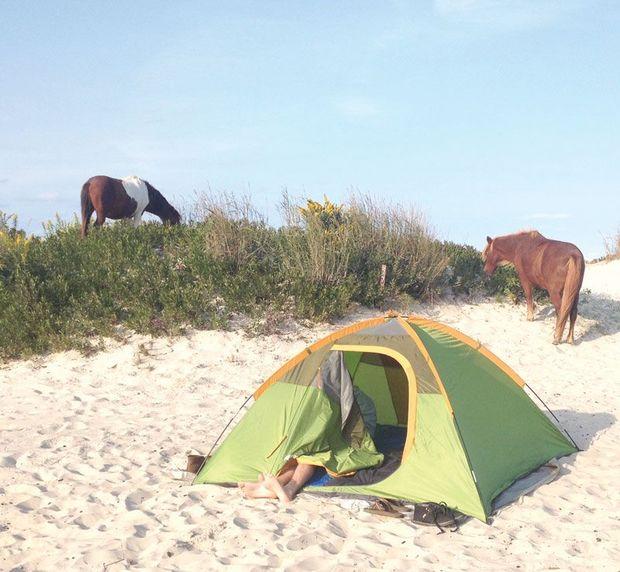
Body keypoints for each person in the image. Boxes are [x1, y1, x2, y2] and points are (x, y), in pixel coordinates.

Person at [239, 386, 377, 503]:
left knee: (311, 456)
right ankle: (272, 486)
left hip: (355, 443)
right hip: (338, 438)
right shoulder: (332, 397)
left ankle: (289, 489)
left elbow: (358, 433)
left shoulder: (354, 401)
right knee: (300, 454)